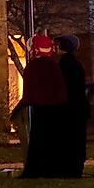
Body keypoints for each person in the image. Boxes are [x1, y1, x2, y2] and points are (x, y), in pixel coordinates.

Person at [18, 33, 78, 179]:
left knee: (39, 140)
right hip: (56, 109)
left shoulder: (32, 67)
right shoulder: (54, 66)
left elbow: (30, 90)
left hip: (40, 109)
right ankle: (54, 168)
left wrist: (26, 103)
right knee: (54, 141)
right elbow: (60, 89)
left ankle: (37, 169)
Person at [56, 34, 91, 179]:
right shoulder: (76, 64)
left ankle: (68, 168)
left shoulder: (62, 65)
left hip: (67, 107)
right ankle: (77, 168)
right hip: (78, 107)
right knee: (78, 140)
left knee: (68, 139)